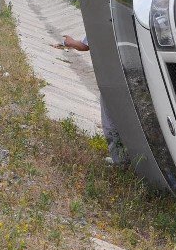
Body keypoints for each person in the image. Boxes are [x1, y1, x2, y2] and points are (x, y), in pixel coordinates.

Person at [53, 34, 126, 165]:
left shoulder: (101, 21)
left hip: (111, 79)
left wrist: (69, 42)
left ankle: (120, 161)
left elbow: (85, 45)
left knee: (110, 122)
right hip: (131, 76)